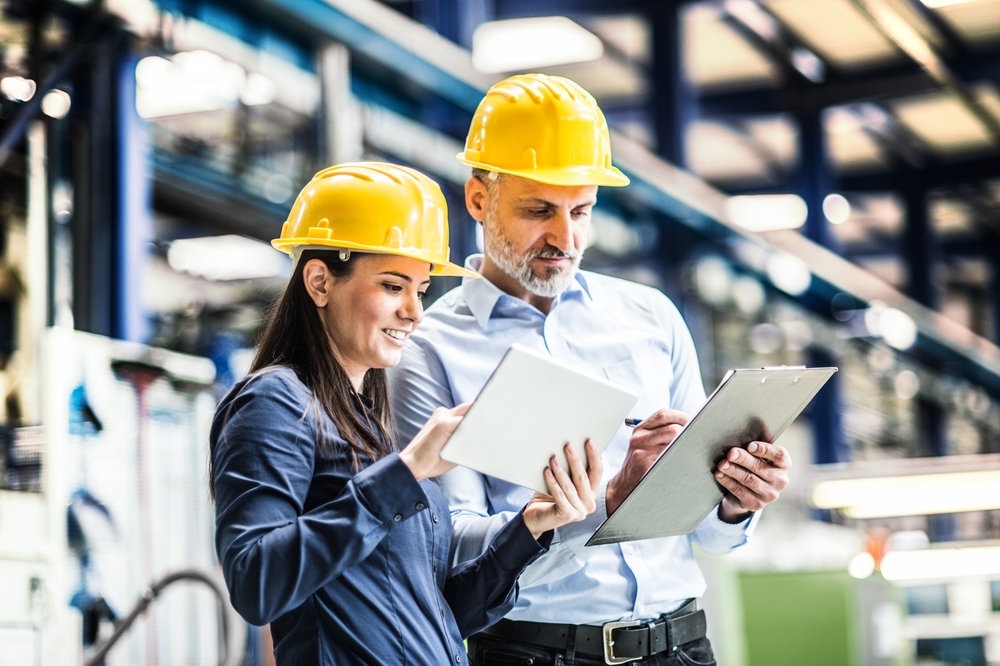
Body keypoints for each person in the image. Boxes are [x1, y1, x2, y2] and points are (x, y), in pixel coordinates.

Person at [389, 74, 792, 665]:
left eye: (582, 210)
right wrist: (609, 499)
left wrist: (736, 495)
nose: (565, 236)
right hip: (538, 653)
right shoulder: (428, 349)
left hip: (681, 646)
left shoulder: (651, 317)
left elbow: (709, 533)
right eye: (538, 210)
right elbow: (458, 560)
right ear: (478, 199)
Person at [210, 162, 603, 666]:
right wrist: (409, 470)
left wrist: (529, 529)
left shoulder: (368, 427)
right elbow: (255, 583)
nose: (416, 312)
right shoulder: (274, 403)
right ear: (319, 282)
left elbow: (433, 617)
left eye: (421, 290)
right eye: (394, 287)